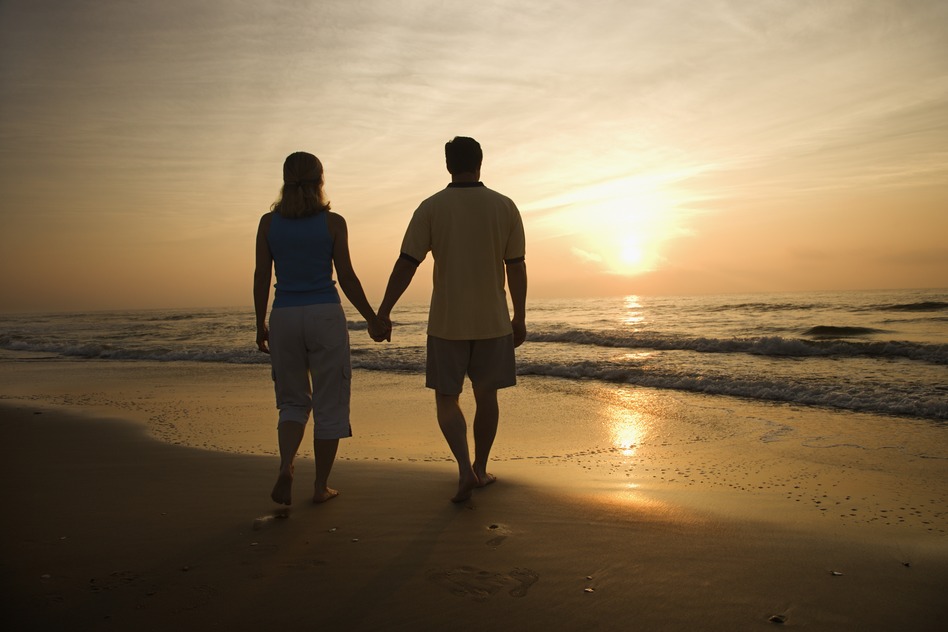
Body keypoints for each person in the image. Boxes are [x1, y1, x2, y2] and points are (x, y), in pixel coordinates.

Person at [377, 136, 527, 503]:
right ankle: (480, 467)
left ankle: (463, 470)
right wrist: (519, 316)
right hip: (493, 320)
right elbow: (516, 266)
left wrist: (384, 310)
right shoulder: (504, 206)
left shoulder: (431, 208)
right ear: (480, 162)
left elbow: (406, 264)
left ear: (447, 165)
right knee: (486, 395)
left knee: (447, 398)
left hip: (447, 322)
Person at [254, 151, 388, 505]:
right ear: (321, 180)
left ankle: (286, 466)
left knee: (293, 402)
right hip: (324, 316)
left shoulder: (269, 223)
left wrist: (259, 323)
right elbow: (346, 276)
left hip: (284, 315)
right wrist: (372, 317)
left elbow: (261, 276)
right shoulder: (333, 223)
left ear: (285, 181)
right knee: (330, 402)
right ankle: (320, 487)